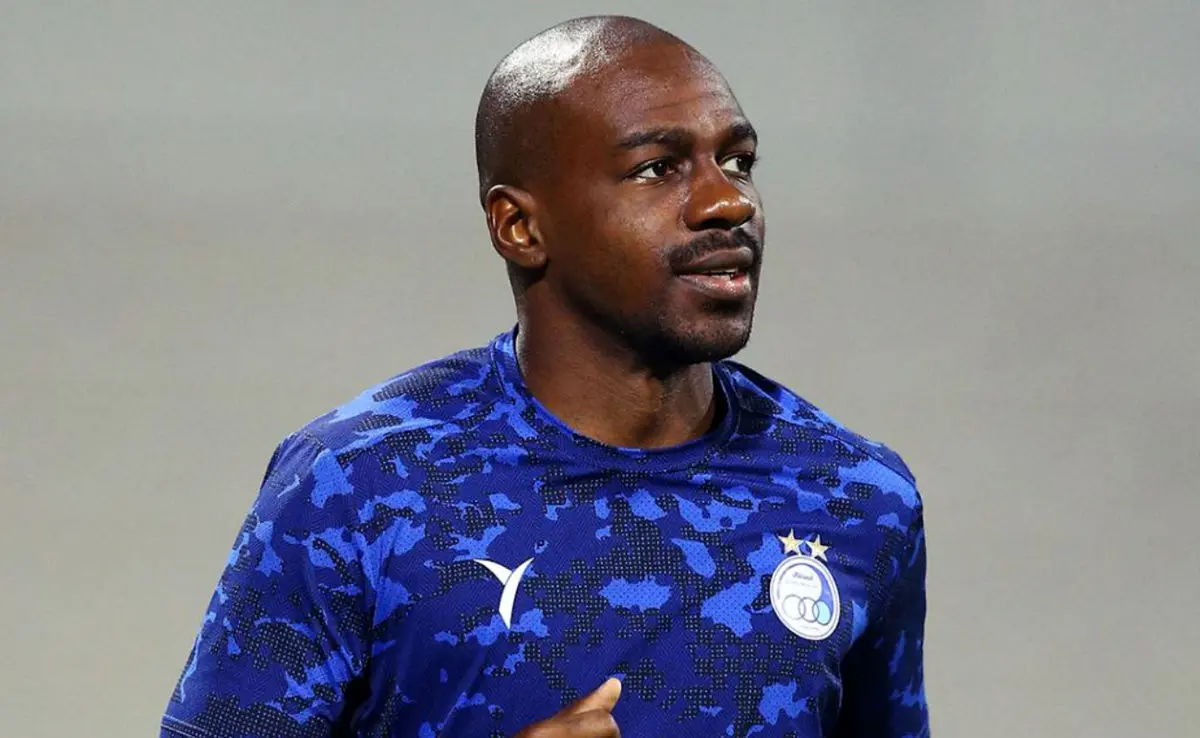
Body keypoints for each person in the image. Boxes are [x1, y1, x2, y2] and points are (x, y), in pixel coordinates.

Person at [161, 14, 929, 738]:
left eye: (738, 161)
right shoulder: (357, 483)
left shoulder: (856, 495)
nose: (728, 201)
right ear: (520, 226)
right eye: (657, 169)